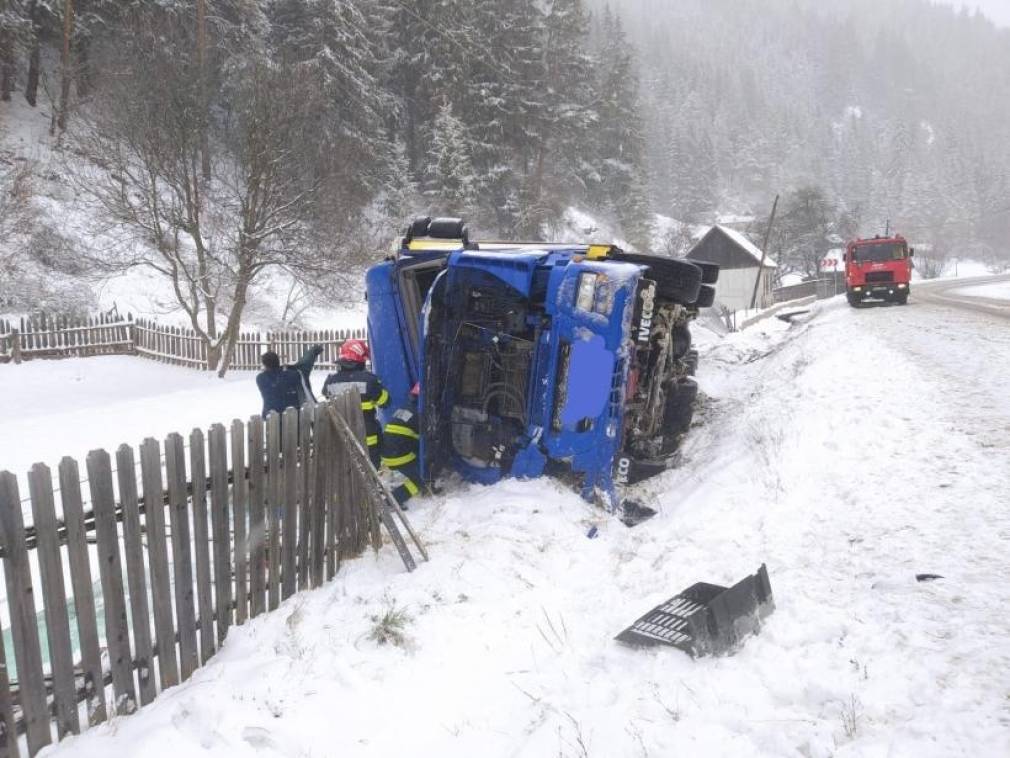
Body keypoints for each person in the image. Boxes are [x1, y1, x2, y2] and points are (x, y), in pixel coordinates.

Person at [322, 338, 389, 466]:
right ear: (360, 360)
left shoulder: (330, 381)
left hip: (342, 437)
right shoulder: (369, 380)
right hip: (367, 438)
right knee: (371, 473)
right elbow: (385, 402)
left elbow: (326, 395)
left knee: (347, 473)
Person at [381, 382, 421, 508]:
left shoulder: (404, 408)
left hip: (387, 454)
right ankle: (393, 501)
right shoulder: (421, 413)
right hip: (399, 456)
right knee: (419, 481)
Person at [256, 345, 323, 417]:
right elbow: (302, 366)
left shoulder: (260, 379)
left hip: (271, 417)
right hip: (294, 416)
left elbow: (273, 376)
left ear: (265, 365)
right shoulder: (293, 375)